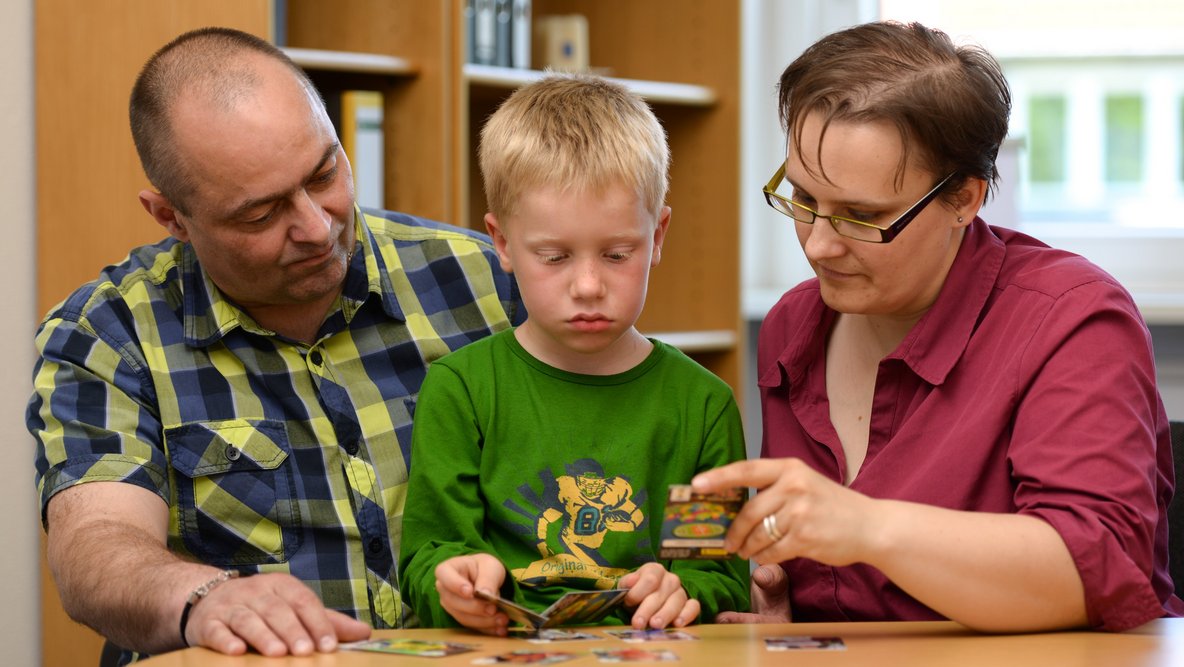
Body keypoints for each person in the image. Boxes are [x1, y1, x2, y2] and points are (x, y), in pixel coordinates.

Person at [28, 27, 523, 664]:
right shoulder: (106, 334)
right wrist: (203, 598)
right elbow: (96, 547)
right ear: (171, 217)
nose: (318, 229)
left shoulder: (487, 282)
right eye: (260, 215)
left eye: (324, 175)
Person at [691, 20, 1184, 633]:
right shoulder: (794, 324)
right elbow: (839, 597)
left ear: (965, 199)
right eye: (803, 199)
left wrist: (866, 525)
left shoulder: (1073, 320)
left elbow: (1098, 572)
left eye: (863, 216)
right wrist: (784, 614)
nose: (817, 245)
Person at [397, 73, 749, 635]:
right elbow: (426, 558)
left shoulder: (703, 403)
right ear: (503, 243)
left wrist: (683, 589)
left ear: (657, 236)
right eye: (555, 257)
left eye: (616, 254)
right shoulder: (460, 388)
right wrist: (457, 581)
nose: (587, 285)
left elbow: (723, 574)